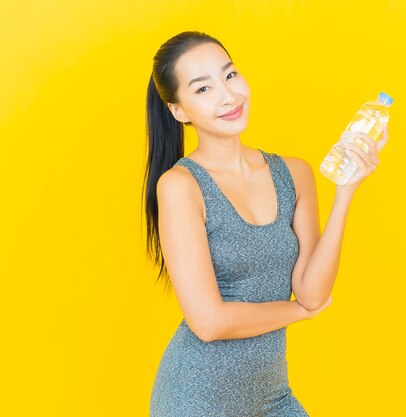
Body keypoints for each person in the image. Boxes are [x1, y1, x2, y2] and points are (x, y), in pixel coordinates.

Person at [143, 30, 389, 417]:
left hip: (271, 397)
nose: (228, 95)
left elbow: (312, 291)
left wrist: (346, 191)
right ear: (179, 111)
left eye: (229, 75)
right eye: (203, 89)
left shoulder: (294, 173)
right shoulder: (180, 186)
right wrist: (300, 313)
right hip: (197, 400)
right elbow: (208, 322)